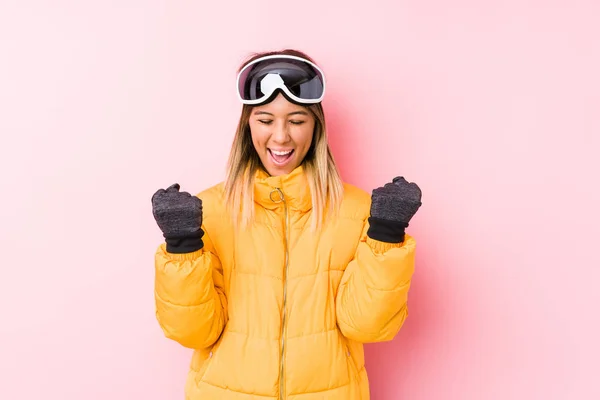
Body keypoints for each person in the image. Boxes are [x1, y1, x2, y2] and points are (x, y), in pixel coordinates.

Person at [151, 49, 422, 400]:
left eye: (296, 120)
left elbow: (367, 326)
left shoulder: (358, 212)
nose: (280, 137)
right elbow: (194, 333)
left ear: (316, 126)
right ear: (247, 126)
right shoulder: (207, 212)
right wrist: (182, 247)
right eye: (265, 120)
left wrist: (385, 236)